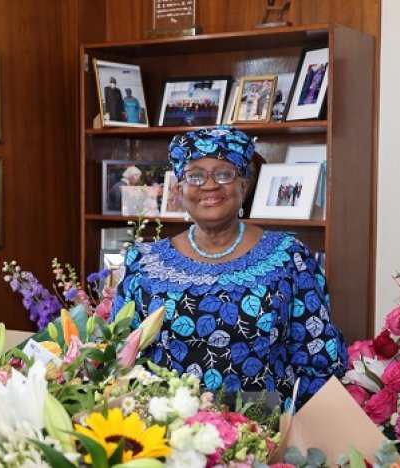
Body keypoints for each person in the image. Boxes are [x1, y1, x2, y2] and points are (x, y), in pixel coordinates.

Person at [110, 126, 347, 408]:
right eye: (195, 175)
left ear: (244, 185)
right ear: (179, 188)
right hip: (170, 433)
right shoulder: (143, 263)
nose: (209, 185)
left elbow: (318, 359)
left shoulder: (290, 258)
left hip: (264, 432)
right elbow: (122, 356)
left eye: (224, 173)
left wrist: (297, 437)